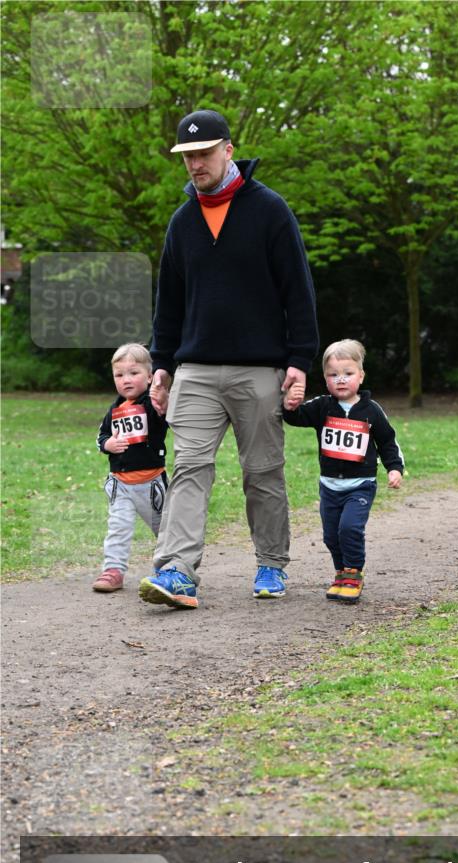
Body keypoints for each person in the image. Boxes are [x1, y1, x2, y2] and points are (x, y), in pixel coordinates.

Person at [139, 109, 319, 610]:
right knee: (190, 464)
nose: (195, 164)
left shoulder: (270, 210)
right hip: (195, 370)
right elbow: (169, 304)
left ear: (228, 151)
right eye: (187, 157)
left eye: (203, 153)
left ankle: (271, 564)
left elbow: (298, 292)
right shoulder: (182, 222)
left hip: (259, 368)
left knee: (262, 470)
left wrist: (300, 360)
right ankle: (176, 570)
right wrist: (162, 363)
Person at [282, 339, 404, 603]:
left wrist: (394, 468)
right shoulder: (322, 407)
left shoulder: (371, 410)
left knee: (349, 528)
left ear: (360, 376)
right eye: (333, 375)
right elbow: (296, 418)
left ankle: (353, 573)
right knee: (330, 535)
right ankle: (341, 572)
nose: (340, 380)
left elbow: (387, 441)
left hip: (360, 484)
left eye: (347, 374)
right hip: (329, 486)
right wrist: (290, 405)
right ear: (325, 379)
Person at [93, 344, 168, 593]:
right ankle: (113, 570)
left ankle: (170, 567)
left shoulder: (152, 403)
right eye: (119, 375)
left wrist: (161, 399)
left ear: (149, 376)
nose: (126, 380)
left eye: (133, 373)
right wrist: (108, 444)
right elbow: (101, 436)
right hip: (121, 485)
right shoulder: (115, 409)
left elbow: (163, 418)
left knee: (165, 528)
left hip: (151, 484)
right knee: (118, 528)